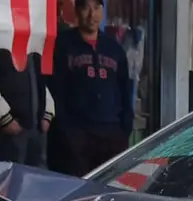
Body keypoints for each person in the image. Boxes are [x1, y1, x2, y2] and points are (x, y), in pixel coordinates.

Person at [48, 0, 134, 177]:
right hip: (76, 134)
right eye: (86, 7)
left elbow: (125, 90)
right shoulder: (63, 45)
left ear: (102, 12)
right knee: (76, 192)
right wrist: (65, 130)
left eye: (96, 8)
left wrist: (124, 128)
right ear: (77, 11)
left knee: (109, 190)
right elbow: (55, 90)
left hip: (111, 134)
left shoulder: (114, 49)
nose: (91, 14)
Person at [0, 50, 55, 167]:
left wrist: (47, 112)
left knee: (36, 176)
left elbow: (40, 81)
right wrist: (4, 118)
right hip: (9, 129)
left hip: (37, 128)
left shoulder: (33, 41)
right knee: (8, 177)